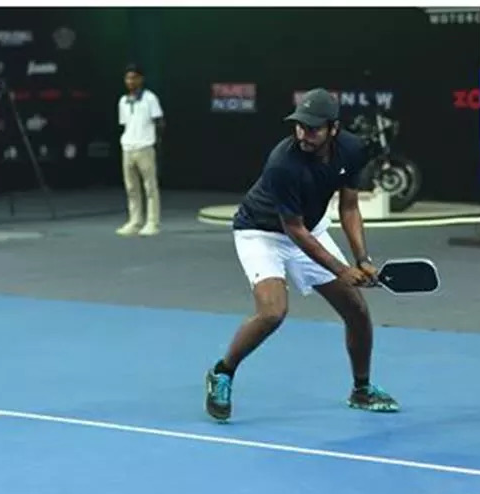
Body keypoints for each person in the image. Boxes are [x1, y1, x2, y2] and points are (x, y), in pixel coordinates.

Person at [204, 88, 400, 422]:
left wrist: (362, 259)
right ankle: (222, 372)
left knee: (356, 310)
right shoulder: (284, 162)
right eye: (299, 126)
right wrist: (341, 268)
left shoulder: (351, 150)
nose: (303, 134)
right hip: (261, 233)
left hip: (314, 227)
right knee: (272, 312)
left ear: (333, 129)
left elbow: (350, 206)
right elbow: (294, 231)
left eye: (312, 128)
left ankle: (362, 390)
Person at [116, 64, 164, 237]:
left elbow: (159, 122)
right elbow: (125, 124)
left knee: (150, 187)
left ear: (141, 79)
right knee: (131, 188)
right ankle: (135, 221)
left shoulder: (150, 98)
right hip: (128, 148)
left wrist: (156, 145)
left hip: (145, 147)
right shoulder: (123, 100)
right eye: (128, 78)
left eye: (134, 77)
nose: (130, 81)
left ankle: (152, 223)